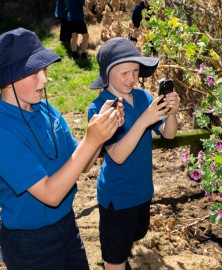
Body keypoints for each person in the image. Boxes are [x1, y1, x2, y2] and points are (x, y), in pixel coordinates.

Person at [0, 27, 123, 270]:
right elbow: (51, 194)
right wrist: (91, 140)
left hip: (67, 226)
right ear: (9, 79)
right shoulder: (1, 135)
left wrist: (101, 134)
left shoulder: (46, 111)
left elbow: (82, 163)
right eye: (35, 72)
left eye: (44, 70)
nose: (45, 79)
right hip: (29, 242)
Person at [87, 37, 181, 270]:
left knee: (131, 238)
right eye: (124, 73)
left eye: (136, 71)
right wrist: (143, 121)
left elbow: (169, 135)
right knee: (115, 258)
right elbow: (117, 155)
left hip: (142, 192)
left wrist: (170, 112)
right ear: (107, 74)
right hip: (117, 199)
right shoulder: (101, 108)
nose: (131, 78)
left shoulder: (143, 98)